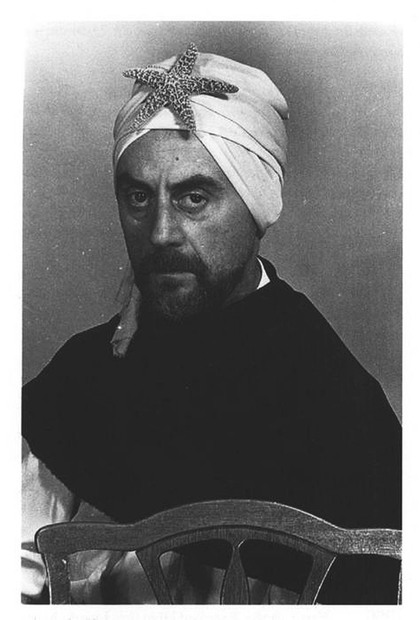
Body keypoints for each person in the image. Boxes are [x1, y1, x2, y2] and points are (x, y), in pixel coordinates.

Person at [22, 43, 401, 604]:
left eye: (194, 197)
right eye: (137, 196)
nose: (160, 233)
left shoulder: (340, 401)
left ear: (256, 206)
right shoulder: (82, 376)